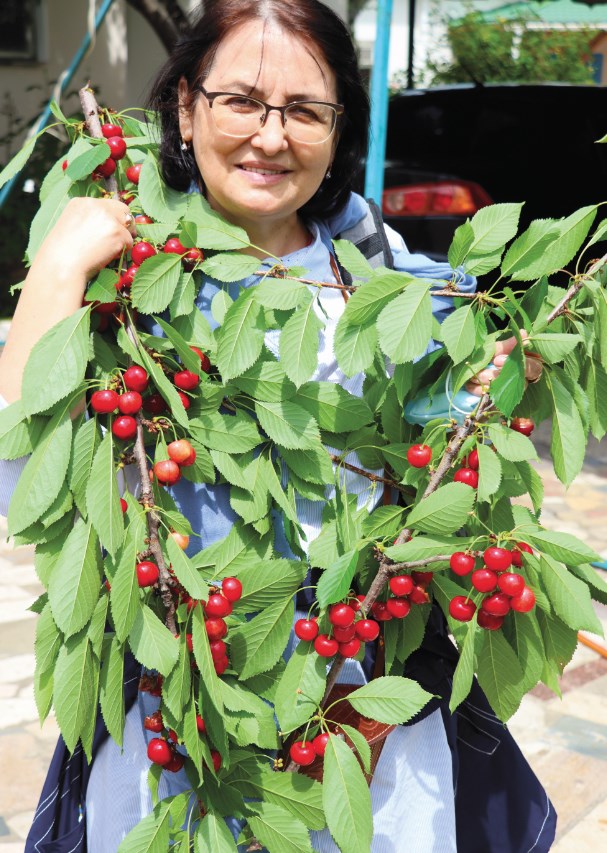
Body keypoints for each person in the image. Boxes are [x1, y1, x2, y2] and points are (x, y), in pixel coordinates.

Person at [0, 1, 549, 851]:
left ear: (336, 128)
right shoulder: (124, 274)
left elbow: (448, 446)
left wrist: (497, 375)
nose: (270, 135)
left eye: (303, 110)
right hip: (184, 723)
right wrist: (59, 267)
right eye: (242, 101)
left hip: (361, 725)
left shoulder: (378, 269)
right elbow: (20, 481)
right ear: (185, 106)